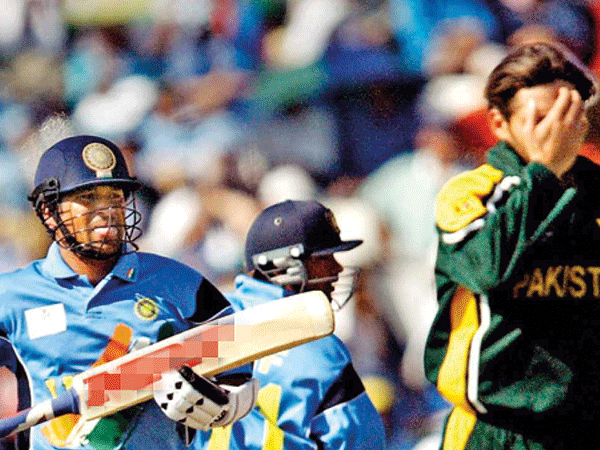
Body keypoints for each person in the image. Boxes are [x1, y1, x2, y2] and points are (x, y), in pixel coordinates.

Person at [0, 135, 259, 450]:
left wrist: (221, 403)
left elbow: (241, 370)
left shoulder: (180, 284)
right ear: (50, 212)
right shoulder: (12, 296)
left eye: (115, 197)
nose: (108, 210)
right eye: (89, 197)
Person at [424, 42, 600, 449]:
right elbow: (486, 265)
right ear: (499, 124)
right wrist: (544, 173)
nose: (556, 131)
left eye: (567, 116)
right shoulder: (471, 191)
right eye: (539, 119)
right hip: (496, 429)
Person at [194, 199, 386, 449]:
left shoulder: (203, 323)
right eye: (323, 258)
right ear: (282, 264)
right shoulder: (318, 345)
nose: (337, 268)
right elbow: (361, 442)